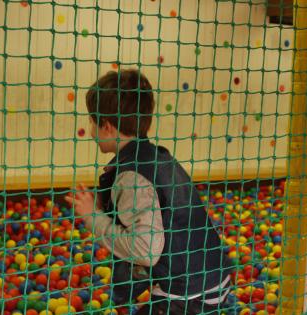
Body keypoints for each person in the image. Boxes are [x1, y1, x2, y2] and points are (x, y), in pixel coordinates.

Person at [64, 69, 232, 314]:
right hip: (212, 275)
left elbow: (145, 251)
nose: (90, 129)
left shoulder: (132, 176)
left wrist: (93, 217)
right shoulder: (157, 157)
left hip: (191, 293)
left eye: (92, 120)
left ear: (108, 126)